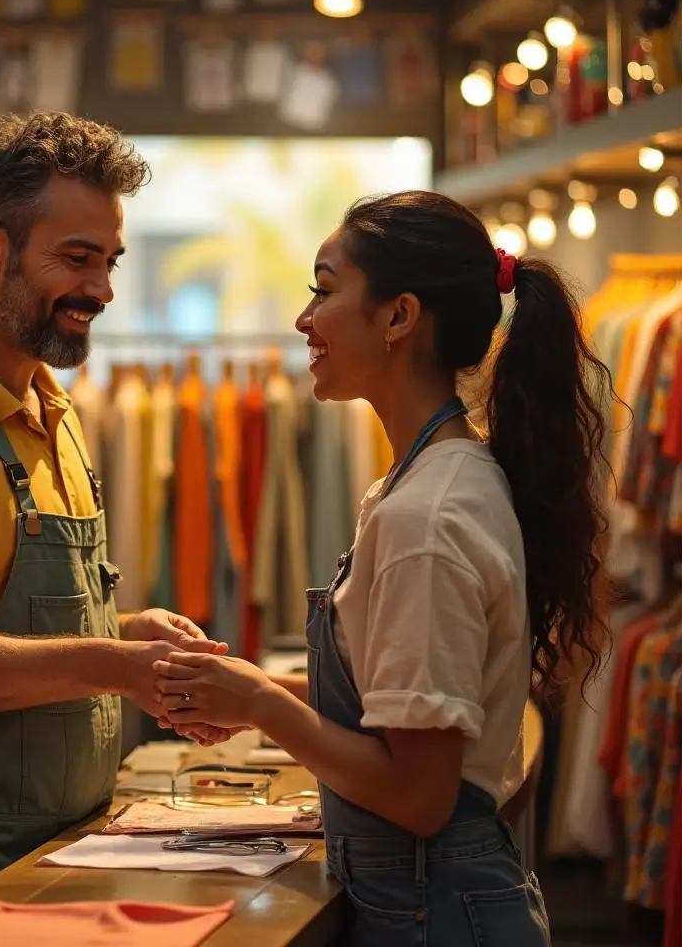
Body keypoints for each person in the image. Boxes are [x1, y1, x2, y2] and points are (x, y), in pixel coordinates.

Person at [155, 191, 612, 945]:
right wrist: (244, 690)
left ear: (399, 317)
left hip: (436, 909)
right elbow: (393, 698)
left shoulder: (424, 516)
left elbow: (420, 794)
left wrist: (266, 707)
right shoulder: (425, 484)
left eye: (325, 290)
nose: (305, 320)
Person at [0, 112, 226, 904]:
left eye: (111, 260)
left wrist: (128, 632)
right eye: (77, 259)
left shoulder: (50, 406)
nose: (102, 290)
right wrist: (114, 665)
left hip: (62, 850)